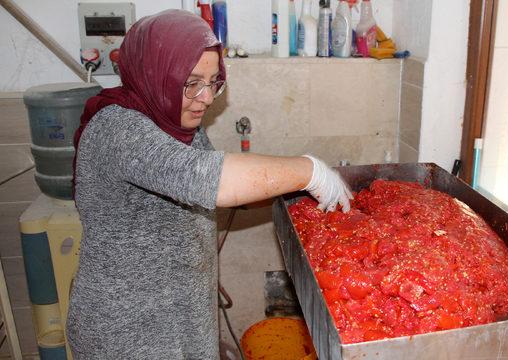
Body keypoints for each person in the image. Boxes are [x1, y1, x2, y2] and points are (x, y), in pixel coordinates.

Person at [66, 9, 352, 359]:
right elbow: (210, 180)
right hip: (128, 329)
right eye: (191, 83)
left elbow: (222, 193)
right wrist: (310, 171)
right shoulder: (118, 128)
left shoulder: (182, 124)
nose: (205, 97)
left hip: (184, 312)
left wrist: (296, 190)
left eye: (214, 81)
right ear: (157, 74)